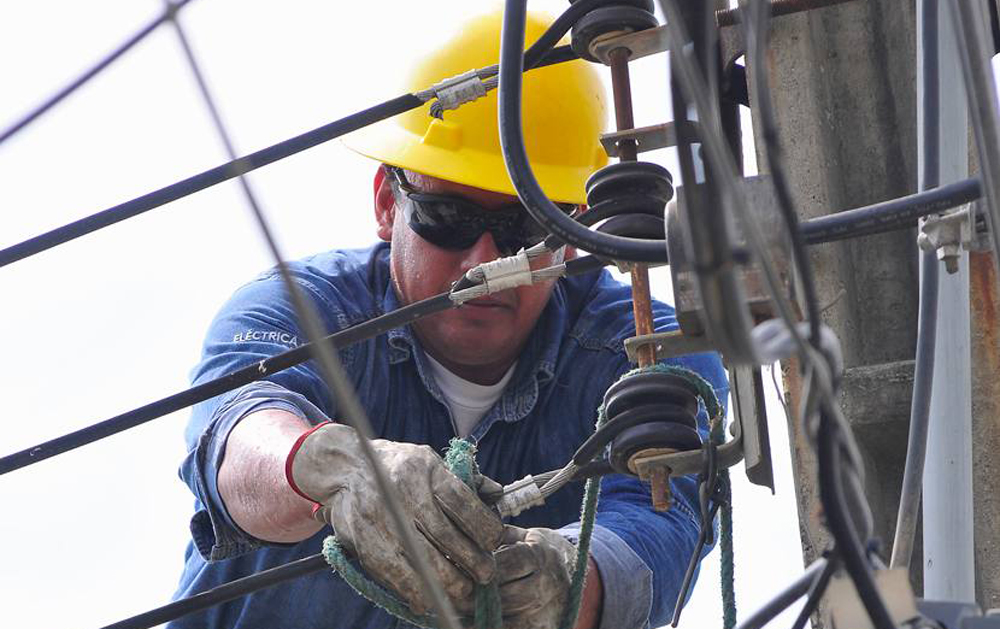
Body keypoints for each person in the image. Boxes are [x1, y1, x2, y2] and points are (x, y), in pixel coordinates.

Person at [171, 9, 728, 629]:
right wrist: (322, 465)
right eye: (449, 217)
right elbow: (237, 437)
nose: (484, 260)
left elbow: (662, 521)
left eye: (526, 229)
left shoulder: (646, 352)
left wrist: (572, 582)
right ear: (388, 204)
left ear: (571, 233)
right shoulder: (302, 309)